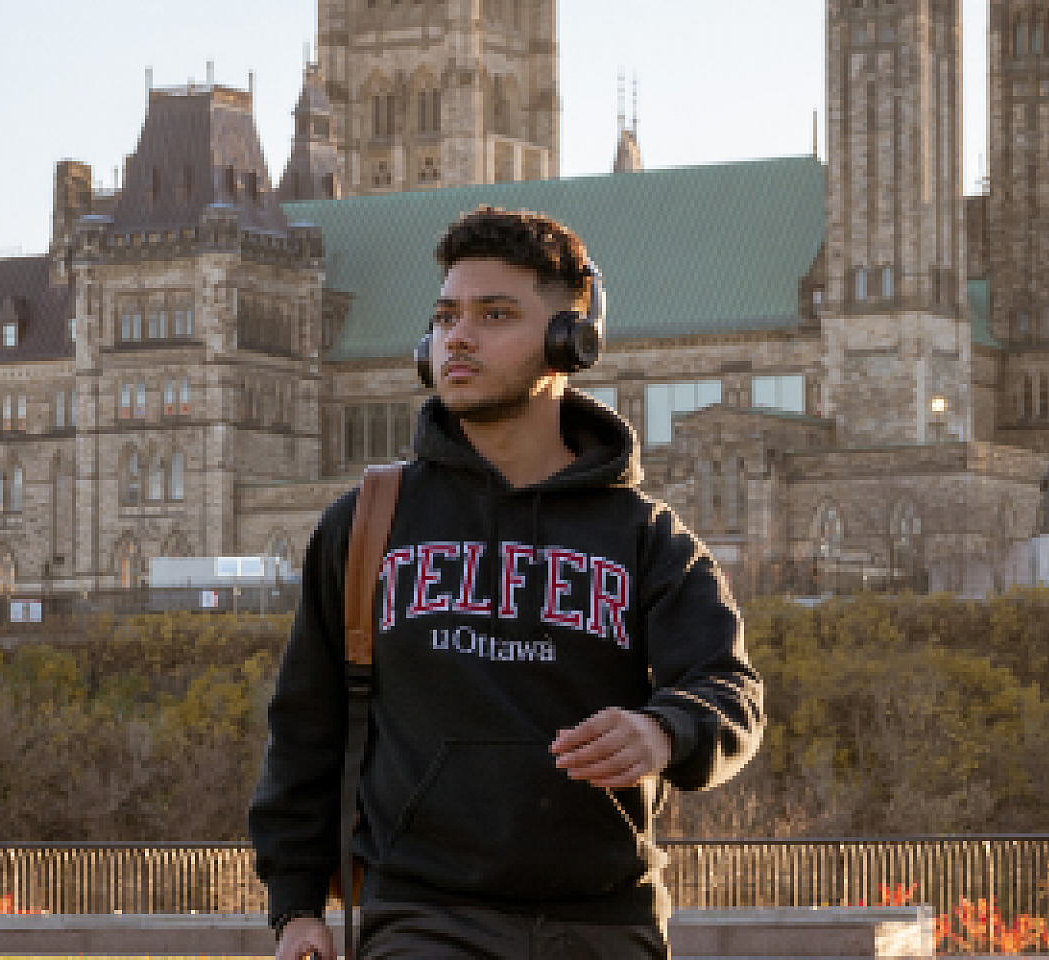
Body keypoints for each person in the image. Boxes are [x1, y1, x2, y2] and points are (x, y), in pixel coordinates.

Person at [249, 207, 764, 959]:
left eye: (495, 315)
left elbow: (730, 690)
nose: (459, 336)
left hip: (607, 924)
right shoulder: (365, 524)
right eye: (446, 316)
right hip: (422, 917)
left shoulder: (648, 538)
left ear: (569, 342)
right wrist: (295, 906)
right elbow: (305, 727)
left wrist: (664, 729)